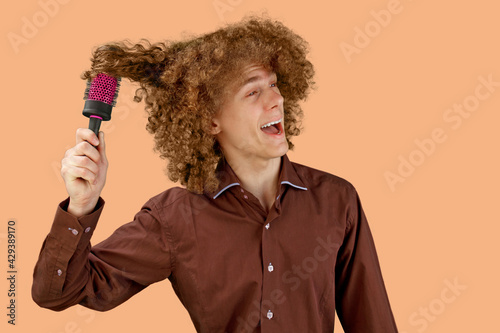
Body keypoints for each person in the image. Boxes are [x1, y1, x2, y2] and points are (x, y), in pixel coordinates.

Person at [32, 16, 399, 332]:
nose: (276, 100)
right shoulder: (175, 218)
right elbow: (58, 292)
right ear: (210, 120)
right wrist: (80, 206)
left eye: (274, 84)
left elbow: (373, 323)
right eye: (253, 92)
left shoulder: (336, 200)